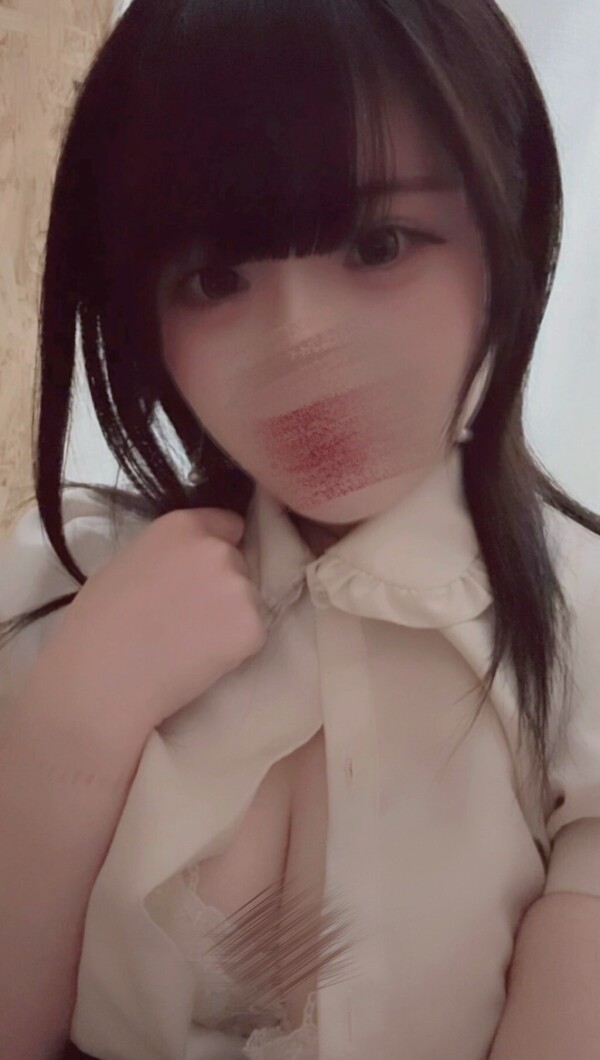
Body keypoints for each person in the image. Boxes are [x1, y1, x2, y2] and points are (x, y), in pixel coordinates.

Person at [1, 1, 600, 1058]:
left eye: (379, 244)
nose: (300, 341)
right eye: (215, 278)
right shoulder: (57, 578)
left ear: (510, 231)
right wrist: (71, 728)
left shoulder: (585, 632)